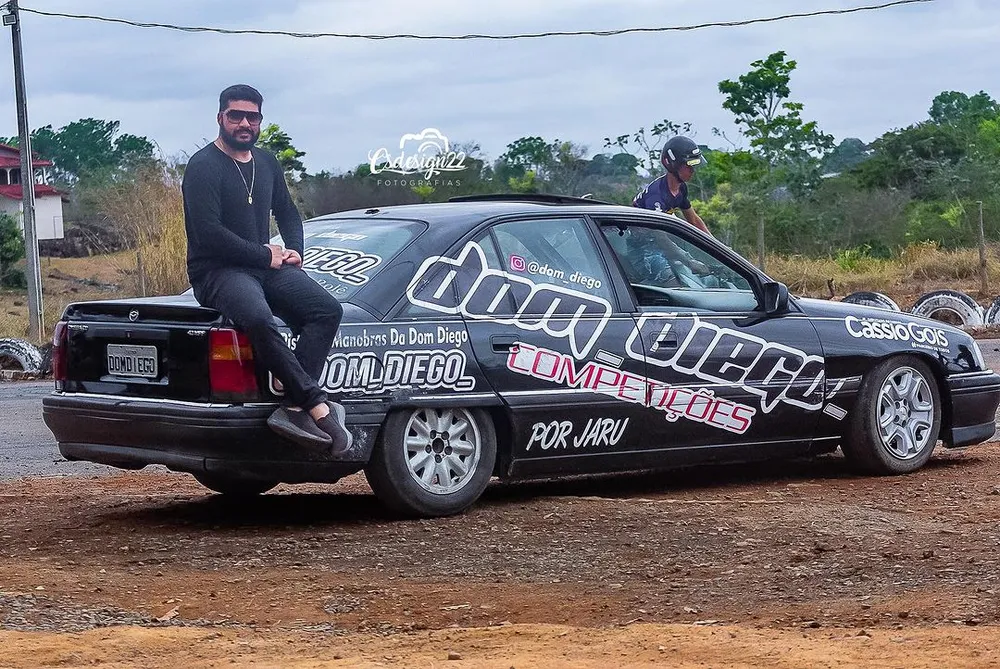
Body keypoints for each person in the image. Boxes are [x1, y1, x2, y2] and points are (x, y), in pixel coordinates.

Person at [181, 84, 352, 456]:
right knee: (259, 319)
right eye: (236, 115)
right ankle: (315, 404)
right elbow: (209, 235)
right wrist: (264, 254)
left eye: (252, 117)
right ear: (220, 118)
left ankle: (290, 405)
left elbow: (288, 212)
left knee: (326, 310)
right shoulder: (202, 167)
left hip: (265, 265)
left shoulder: (267, 162)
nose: (244, 123)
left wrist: (295, 252)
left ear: (260, 120)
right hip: (218, 272)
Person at [632, 136, 712, 236]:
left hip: (659, 236)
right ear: (672, 164)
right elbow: (659, 237)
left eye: (694, 165)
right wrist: (681, 252)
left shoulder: (681, 188)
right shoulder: (656, 197)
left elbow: (694, 220)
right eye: (688, 165)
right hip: (643, 243)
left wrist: (717, 245)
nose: (692, 170)